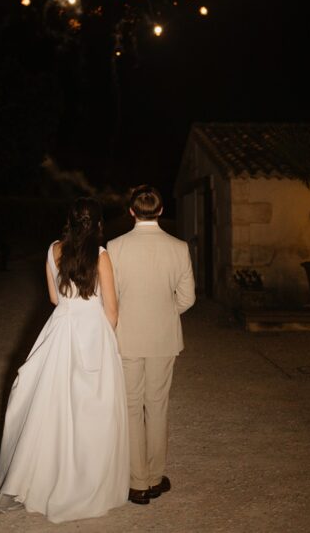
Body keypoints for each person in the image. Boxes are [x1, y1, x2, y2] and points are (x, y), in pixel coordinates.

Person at [0, 198, 128, 523]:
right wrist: (104, 342)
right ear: (98, 224)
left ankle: (45, 478)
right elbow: (111, 309)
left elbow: (55, 298)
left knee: (53, 405)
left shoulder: (54, 249)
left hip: (61, 327)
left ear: (69, 222)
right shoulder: (100, 255)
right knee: (93, 408)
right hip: (92, 329)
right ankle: (88, 481)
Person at [107, 185, 196, 505]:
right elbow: (187, 299)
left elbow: (109, 296)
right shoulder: (179, 247)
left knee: (131, 408)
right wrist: (165, 313)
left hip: (127, 337)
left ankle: (137, 482)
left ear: (131, 211)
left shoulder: (115, 247)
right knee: (157, 406)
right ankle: (156, 477)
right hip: (163, 337)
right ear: (160, 211)